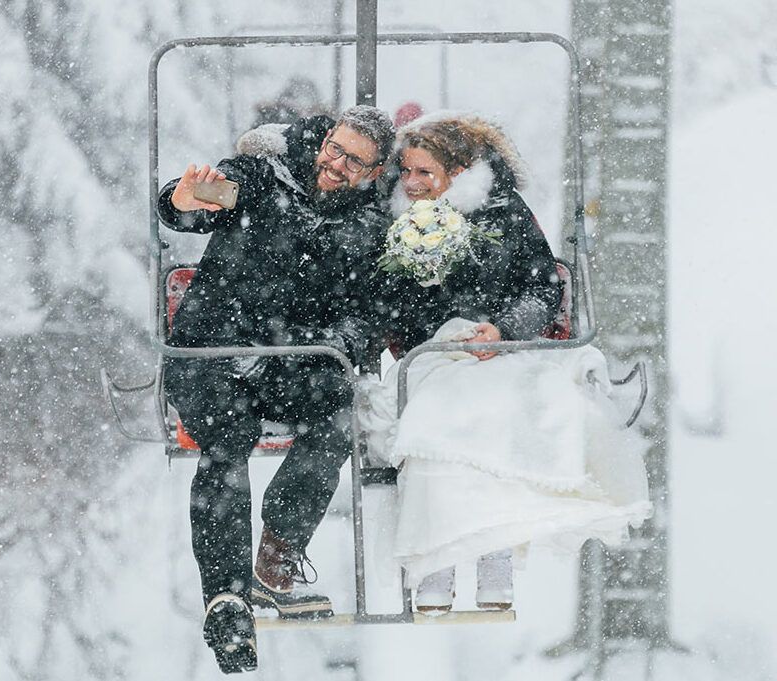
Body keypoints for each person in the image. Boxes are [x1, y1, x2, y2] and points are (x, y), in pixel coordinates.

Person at [363, 113, 652, 614]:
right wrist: (423, 287)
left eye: (424, 172)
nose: (411, 183)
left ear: (457, 171)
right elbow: (381, 304)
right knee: (437, 423)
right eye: (405, 171)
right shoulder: (395, 221)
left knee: (500, 415)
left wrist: (501, 329)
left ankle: (493, 553)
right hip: (434, 354)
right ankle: (438, 560)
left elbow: (541, 287)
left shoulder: (504, 213)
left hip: (505, 351)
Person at [158, 106, 394, 673]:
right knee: (227, 436)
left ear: (374, 171)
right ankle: (228, 599)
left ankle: (279, 549)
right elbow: (210, 198)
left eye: (354, 162)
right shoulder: (267, 175)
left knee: (337, 422)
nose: (336, 165)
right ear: (325, 139)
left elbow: (366, 316)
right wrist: (185, 200)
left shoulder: (369, 226)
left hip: (290, 360)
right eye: (335, 149)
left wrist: (321, 345)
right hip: (214, 350)